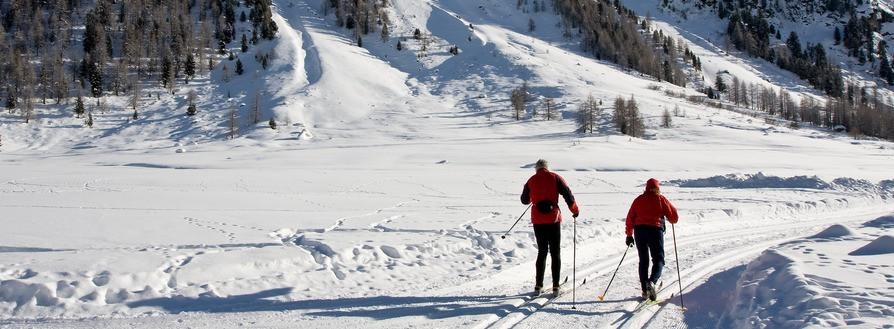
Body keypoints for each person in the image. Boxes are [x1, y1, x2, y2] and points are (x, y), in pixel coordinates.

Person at [520, 159, 580, 295]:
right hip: (553, 219)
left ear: (536, 169)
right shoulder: (555, 177)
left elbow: (524, 200)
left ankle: (538, 285)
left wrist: (533, 198)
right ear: (547, 167)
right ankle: (555, 286)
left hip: (538, 220)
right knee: (555, 252)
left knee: (542, 252)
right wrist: (575, 210)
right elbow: (568, 195)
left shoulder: (531, 180)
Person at [625, 178, 679, 301]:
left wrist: (629, 235)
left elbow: (630, 218)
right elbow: (674, 217)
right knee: (658, 259)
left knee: (643, 261)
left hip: (639, 231)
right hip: (655, 231)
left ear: (646, 188)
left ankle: (645, 290)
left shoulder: (638, 200)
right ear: (658, 188)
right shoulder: (661, 199)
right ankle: (652, 282)